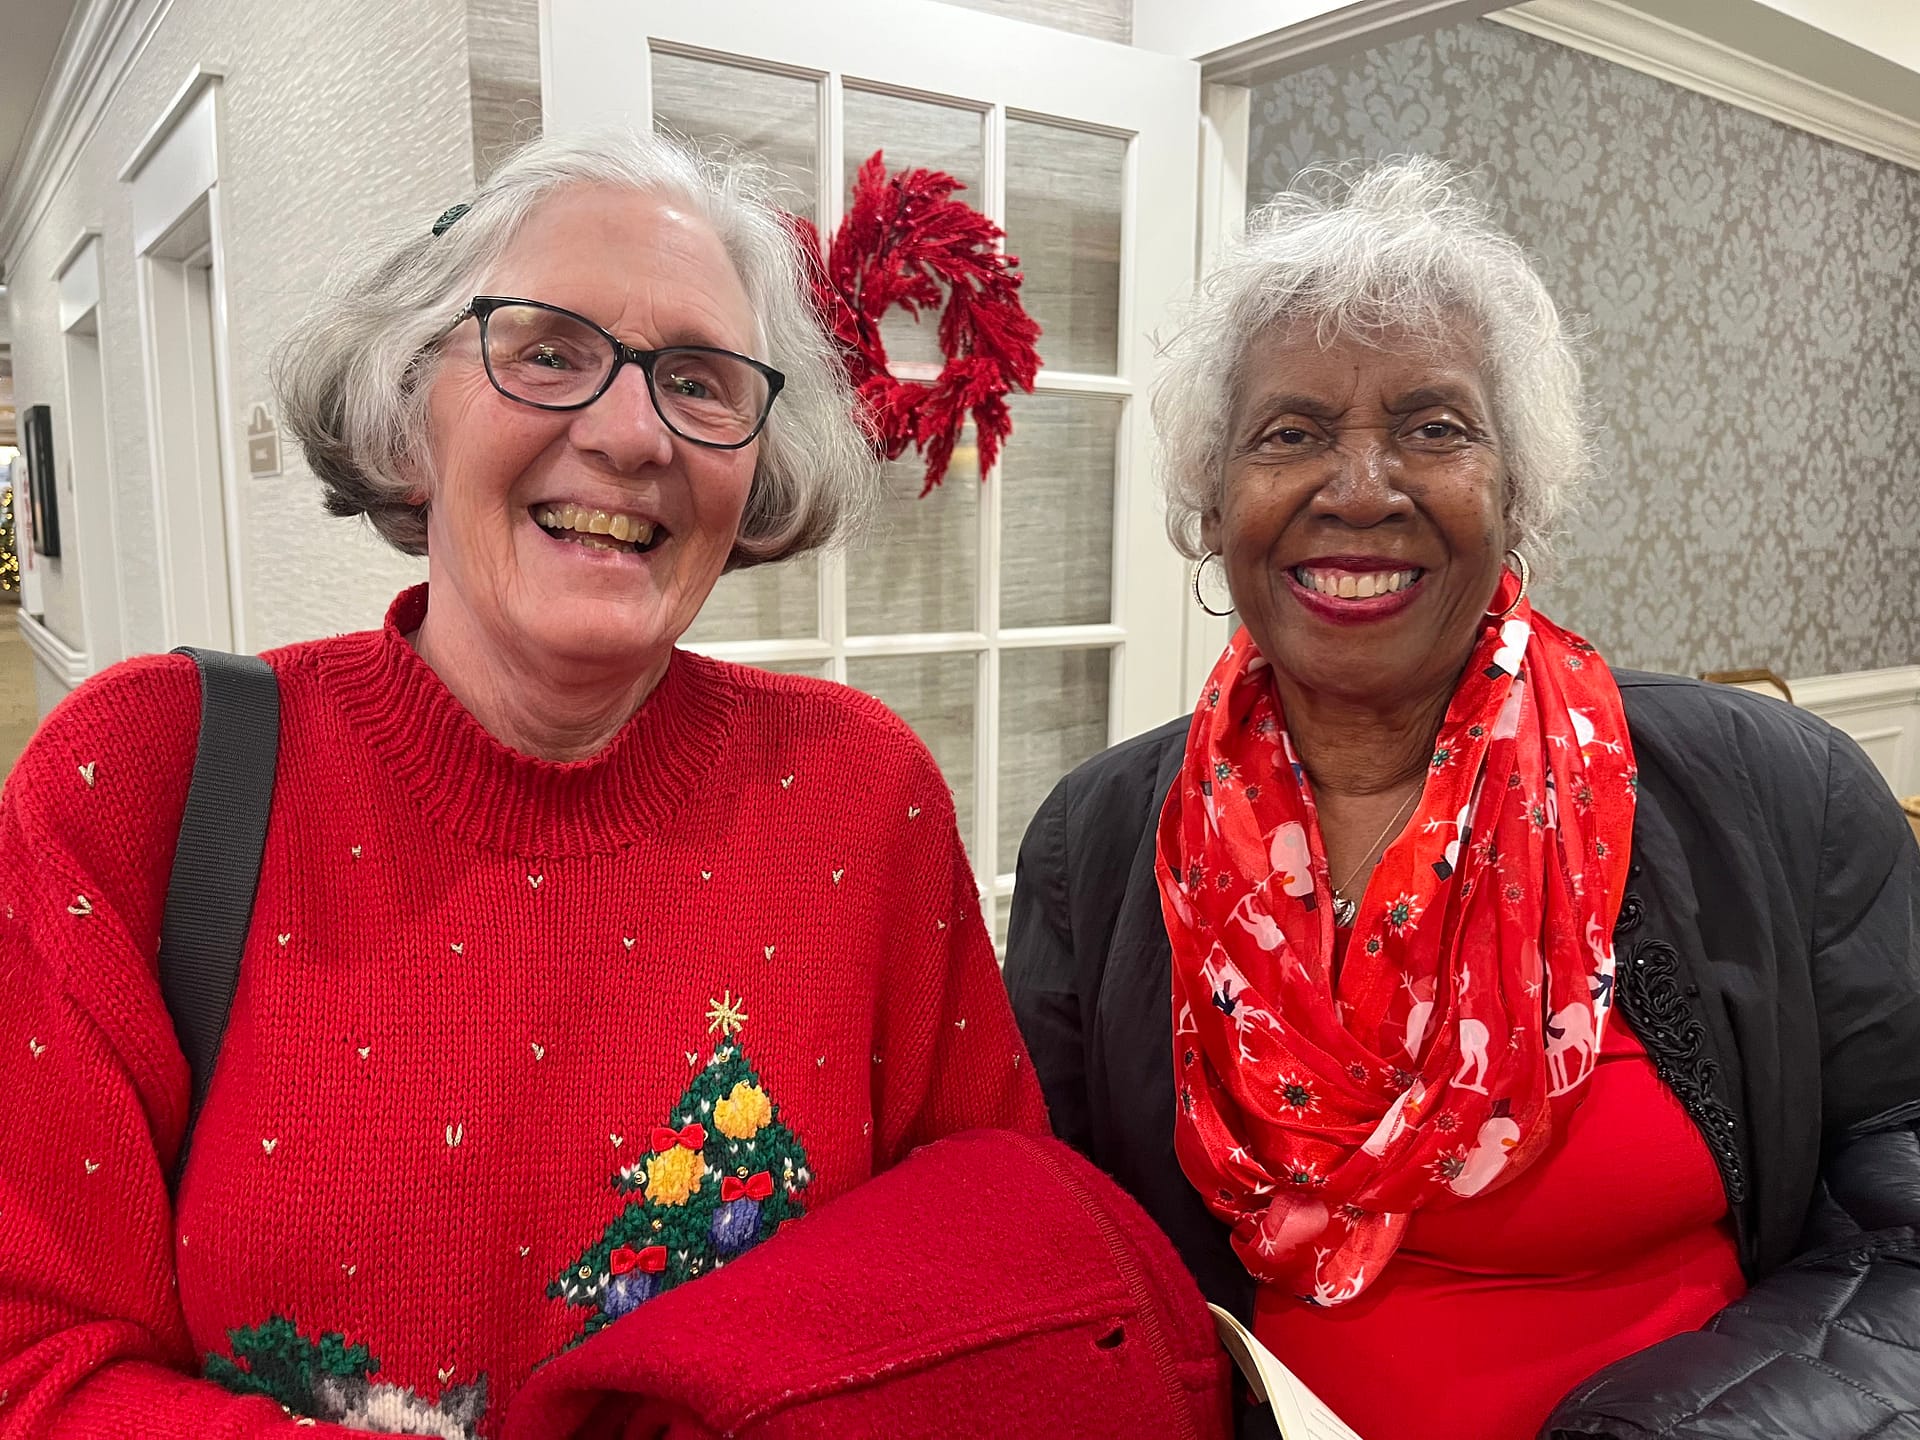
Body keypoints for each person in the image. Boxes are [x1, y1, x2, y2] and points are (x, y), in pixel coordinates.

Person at [0, 128, 1045, 1437]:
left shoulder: (860, 790)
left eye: (702, 381)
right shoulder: (132, 782)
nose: (628, 432)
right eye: (547, 350)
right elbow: (38, 1368)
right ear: (407, 409)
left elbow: (994, 1242)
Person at [1004, 158, 1920, 1440]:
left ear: (1517, 490)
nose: (1363, 488)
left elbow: (1904, 1200)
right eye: (1292, 433)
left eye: (1435, 427)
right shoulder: (1094, 845)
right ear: (1213, 505)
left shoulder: (1776, 789)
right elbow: (1064, 1239)